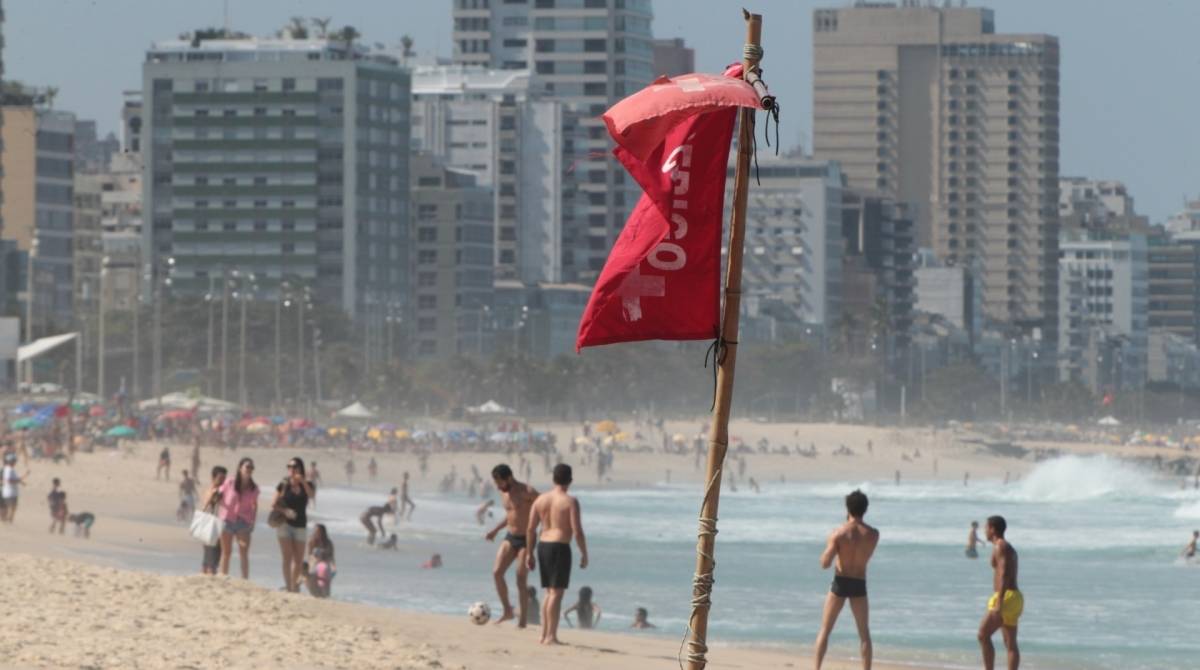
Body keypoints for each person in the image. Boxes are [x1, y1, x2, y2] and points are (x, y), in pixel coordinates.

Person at [814, 489, 879, 670]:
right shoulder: (873, 534)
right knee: (864, 634)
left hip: (841, 582)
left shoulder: (839, 534)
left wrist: (833, 548)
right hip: (859, 582)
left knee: (825, 630)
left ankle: (816, 668)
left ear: (847, 508)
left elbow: (825, 563)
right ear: (865, 509)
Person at [526, 464, 588, 645]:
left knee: (549, 592)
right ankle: (551, 636)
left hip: (543, 545)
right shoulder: (570, 501)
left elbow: (530, 529)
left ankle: (544, 634)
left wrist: (529, 553)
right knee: (556, 593)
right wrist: (584, 553)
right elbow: (577, 532)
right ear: (570, 480)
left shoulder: (540, 500)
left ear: (553, 479)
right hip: (559, 547)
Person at [485, 464, 539, 627]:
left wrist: (545, 530)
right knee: (497, 572)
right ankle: (508, 611)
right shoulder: (504, 493)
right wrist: (495, 530)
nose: (498, 486)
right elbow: (511, 515)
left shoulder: (528, 491)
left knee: (521, 579)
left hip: (526, 539)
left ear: (509, 478)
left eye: (499, 482)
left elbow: (545, 507)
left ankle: (522, 622)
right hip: (510, 536)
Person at [978, 515, 1022, 670]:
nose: (984, 531)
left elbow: (1004, 574)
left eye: (986, 528)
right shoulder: (1006, 547)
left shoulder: (1000, 547)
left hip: (1005, 597)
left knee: (983, 634)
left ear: (992, 529)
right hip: (1014, 597)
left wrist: (998, 603)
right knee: (1010, 643)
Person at [272, 457, 315, 593]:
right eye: (289, 467)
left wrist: (302, 481)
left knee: (298, 560)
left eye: (294, 467)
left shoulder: (307, 484)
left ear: (300, 468)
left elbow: (311, 495)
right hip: (284, 524)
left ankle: (293, 584)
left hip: (300, 525)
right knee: (287, 556)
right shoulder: (284, 484)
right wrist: (285, 511)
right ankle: (289, 586)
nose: (291, 469)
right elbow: (273, 504)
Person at [218, 457, 259, 579]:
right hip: (227, 519)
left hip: (243, 522)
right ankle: (223, 578)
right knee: (226, 553)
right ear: (240, 468)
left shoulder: (254, 488)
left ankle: (245, 580)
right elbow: (219, 494)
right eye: (247, 467)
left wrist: (253, 521)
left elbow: (254, 505)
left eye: (252, 468)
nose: (249, 469)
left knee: (244, 553)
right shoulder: (230, 481)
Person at [200, 466, 227, 575]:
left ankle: (208, 572)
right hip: (210, 524)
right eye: (220, 478)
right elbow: (206, 504)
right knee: (211, 552)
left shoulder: (223, 491)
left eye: (224, 478)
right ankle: (209, 573)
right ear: (213, 477)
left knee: (215, 552)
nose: (222, 481)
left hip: (217, 524)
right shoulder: (211, 491)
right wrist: (215, 493)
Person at [305, 523, 336, 598]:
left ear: (323, 532)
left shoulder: (328, 542)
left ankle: (325, 594)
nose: (317, 533)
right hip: (314, 561)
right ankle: (314, 592)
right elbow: (309, 555)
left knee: (326, 570)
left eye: (318, 531)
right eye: (315, 531)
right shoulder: (311, 541)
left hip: (326, 562)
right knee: (310, 572)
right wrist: (315, 559)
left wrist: (331, 564)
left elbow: (331, 556)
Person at [2, 452, 25, 523]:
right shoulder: (9, 470)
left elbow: (14, 479)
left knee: (12, 508)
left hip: (11, 492)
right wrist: (17, 481)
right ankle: (9, 521)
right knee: (12, 507)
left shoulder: (10, 469)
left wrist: (20, 481)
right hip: (10, 492)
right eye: (14, 461)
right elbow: (9, 480)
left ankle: (9, 520)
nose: (15, 462)